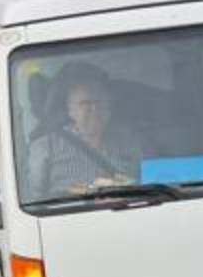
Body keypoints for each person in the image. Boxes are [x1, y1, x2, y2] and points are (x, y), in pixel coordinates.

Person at [27, 62, 141, 197]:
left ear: (109, 108)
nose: (93, 109)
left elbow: (147, 182)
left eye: (98, 102)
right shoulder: (46, 147)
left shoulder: (130, 142)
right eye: (84, 103)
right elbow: (33, 198)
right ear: (70, 110)